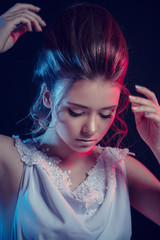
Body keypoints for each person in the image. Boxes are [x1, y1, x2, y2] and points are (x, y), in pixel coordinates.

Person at [0, 3, 160, 240]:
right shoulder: (11, 162)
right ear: (47, 97)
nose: (92, 129)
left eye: (107, 113)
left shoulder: (120, 169)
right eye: (76, 111)